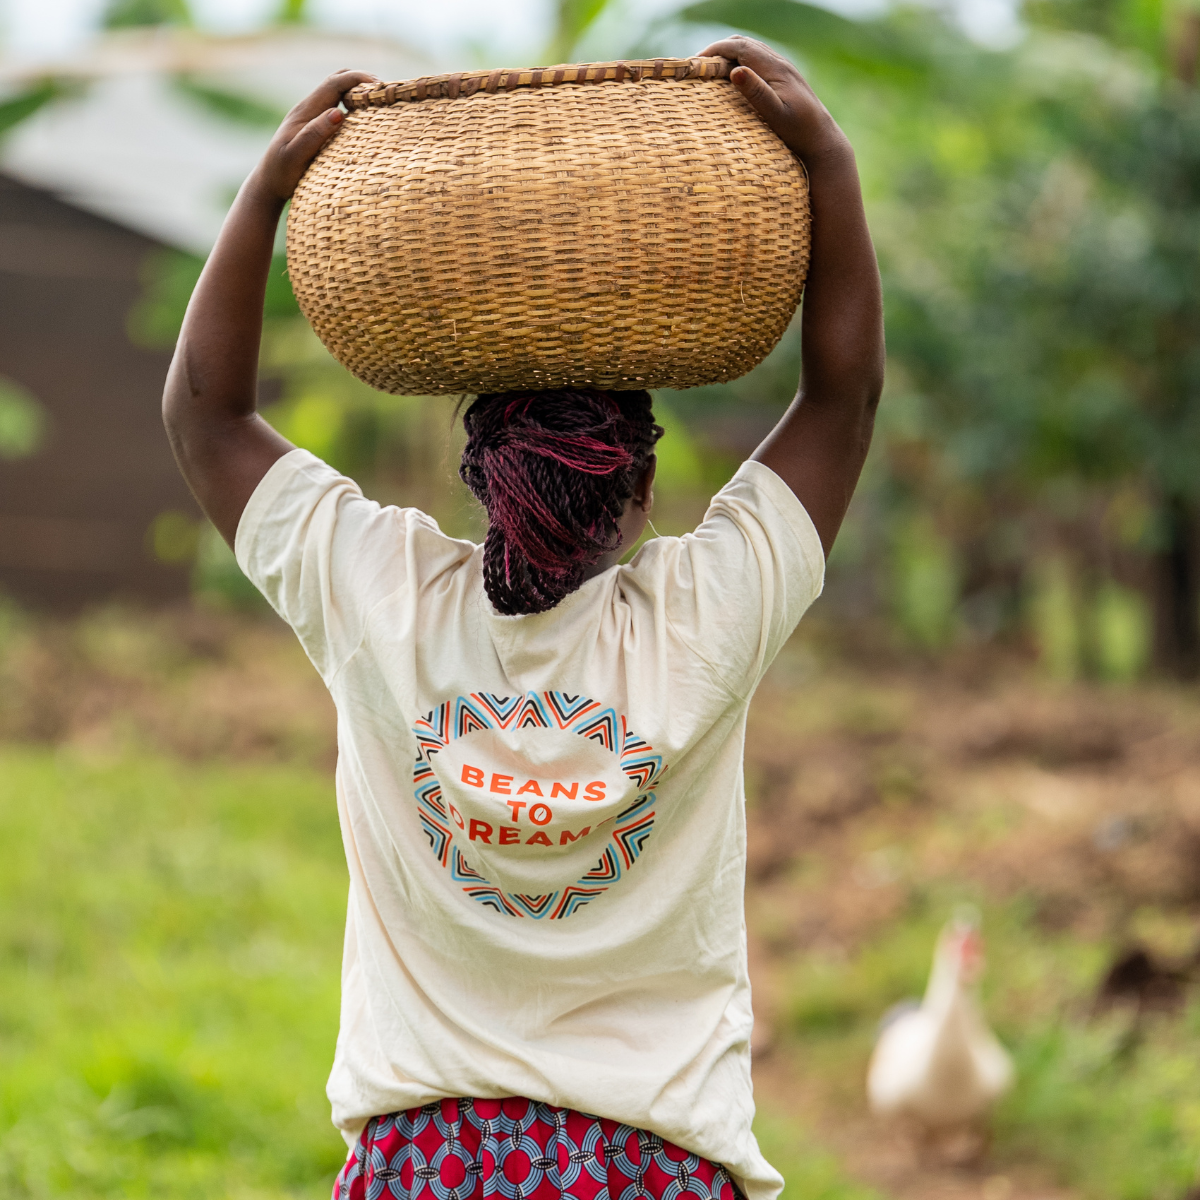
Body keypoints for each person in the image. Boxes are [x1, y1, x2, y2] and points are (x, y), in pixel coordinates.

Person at [162, 35, 884, 1200]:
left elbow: (204, 416)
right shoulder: (709, 616)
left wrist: (266, 198)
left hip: (423, 1165)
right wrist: (829, 166)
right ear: (641, 487)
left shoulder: (376, 595)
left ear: (477, 472)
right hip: (650, 1165)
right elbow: (843, 397)